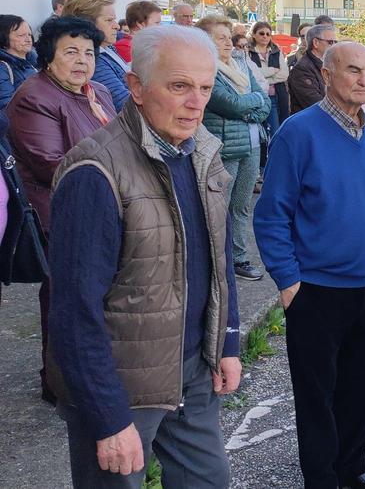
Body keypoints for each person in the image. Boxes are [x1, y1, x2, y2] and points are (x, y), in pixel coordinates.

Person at [47, 24, 241, 488]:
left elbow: (219, 258)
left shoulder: (200, 154)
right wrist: (108, 418)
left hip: (193, 372)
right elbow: (74, 312)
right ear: (135, 87)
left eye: (206, 88)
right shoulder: (95, 171)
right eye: (179, 86)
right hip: (121, 387)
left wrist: (228, 343)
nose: (196, 102)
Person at [254, 42, 365, 489]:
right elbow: (271, 212)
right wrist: (288, 280)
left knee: (361, 388)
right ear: (328, 75)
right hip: (316, 291)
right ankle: (322, 480)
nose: (363, 79)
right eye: (352, 71)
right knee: (318, 398)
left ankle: (352, 471)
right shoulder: (299, 133)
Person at [7, 16, 117, 404]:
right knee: (65, 301)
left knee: (97, 298)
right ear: (48, 56)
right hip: (60, 213)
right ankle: (59, 383)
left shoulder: (97, 91)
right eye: (70, 52)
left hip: (103, 206)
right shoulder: (34, 96)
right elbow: (52, 163)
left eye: (88, 52)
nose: (81, 61)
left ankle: (93, 371)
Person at [197, 16, 271, 282]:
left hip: (251, 145)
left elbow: (264, 103)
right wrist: (249, 104)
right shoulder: (206, 69)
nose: (228, 42)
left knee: (240, 207)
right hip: (225, 148)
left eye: (229, 37)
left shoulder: (240, 63)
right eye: (221, 38)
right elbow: (230, 104)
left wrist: (249, 106)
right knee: (219, 208)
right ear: (206, 41)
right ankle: (215, 263)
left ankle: (238, 258)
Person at [63, 0, 131, 112]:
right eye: (109, 20)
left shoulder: (108, 48)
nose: (117, 26)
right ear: (88, 24)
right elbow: (124, 104)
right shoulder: (93, 60)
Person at [248, 21, 290, 135]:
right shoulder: (248, 52)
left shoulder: (276, 50)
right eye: (261, 33)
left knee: (279, 130)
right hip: (259, 97)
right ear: (254, 34)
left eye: (268, 34)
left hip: (278, 95)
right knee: (266, 132)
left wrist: (263, 79)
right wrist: (272, 70)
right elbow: (252, 74)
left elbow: (284, 74)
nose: (265, 36)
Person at [288, 23, 336, 112]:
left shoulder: (330, 65)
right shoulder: (302, 70)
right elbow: (315, 104)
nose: (334, 46)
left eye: (335, 42)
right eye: (330, 42)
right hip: (311, 122)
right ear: (316, 43)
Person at [0, 15, 38, 109]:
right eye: (21, 35)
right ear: (4, 38)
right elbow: (6, 106)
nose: (28, 39)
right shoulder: (2, 68)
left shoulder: (34, 63)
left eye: (29, 34)